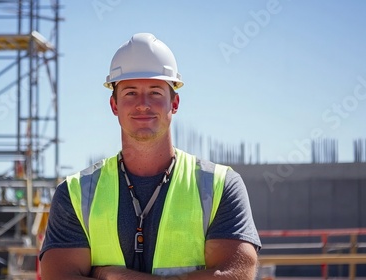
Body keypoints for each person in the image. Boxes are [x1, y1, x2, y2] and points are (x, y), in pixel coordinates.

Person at [39, 33, 261, 279]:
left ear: (174, 104)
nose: (143, 104)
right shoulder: (76, 193)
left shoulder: (220, 185)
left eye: (155, 92)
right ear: (114, 106)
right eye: (130, 93)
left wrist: (119, 276)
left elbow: (236, 276)